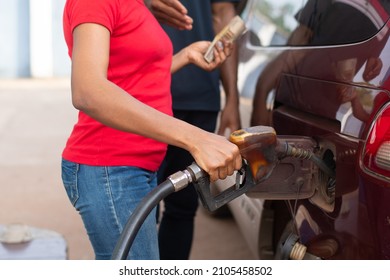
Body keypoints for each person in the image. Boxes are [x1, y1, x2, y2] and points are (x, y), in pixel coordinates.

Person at [61, 0, 242, 260]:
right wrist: (196, 138)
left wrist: (186, 55)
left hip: (134, 167)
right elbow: (88, 91)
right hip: (111, 168)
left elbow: (133, 73)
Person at [148, 0, 241, 260]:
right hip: (148, 98)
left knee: (183, 205)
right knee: (142, 206)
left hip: (201, 97)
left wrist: (231, 98)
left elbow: (225, 18)